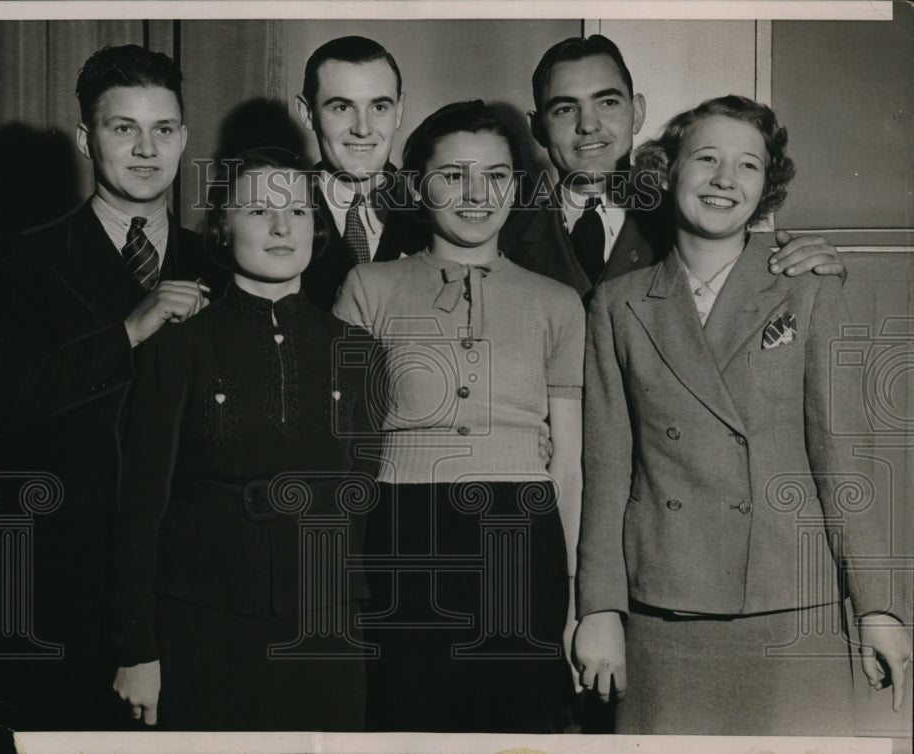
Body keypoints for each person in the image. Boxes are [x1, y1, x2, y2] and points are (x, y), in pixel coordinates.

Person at [573, 95, 912, 735]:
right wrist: (599, 608)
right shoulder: (617, 305)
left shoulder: (809, 288)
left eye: (748, 165)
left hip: (791, 603)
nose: (725, 179)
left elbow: (845, 461)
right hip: (663, 607)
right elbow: (607, 469)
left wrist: (880, 608)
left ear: (767, 186)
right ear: (666, 171)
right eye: (706, 158)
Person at [0, 44, 222, 729]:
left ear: (184, 138)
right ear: (86, 138)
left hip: (193, 584)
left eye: (163, 129)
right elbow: (0, 411)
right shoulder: (25, 260)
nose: (146, 149)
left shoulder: (219, 262)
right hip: (69, 588)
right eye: (123, 128)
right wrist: (127, 332)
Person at [333, 100, 584, 733]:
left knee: (519, 727)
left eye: (496, 175)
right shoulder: (367, 287)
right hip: (400, 532)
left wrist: (576, 593)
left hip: (522, 537)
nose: (477, 195)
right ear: (418, 186)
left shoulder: (558, 303)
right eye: (453, 175)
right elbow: (343, 446)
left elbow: (570, 465)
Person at [110, 148, 371, 731]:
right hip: (205, 621)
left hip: (326, 626)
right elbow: (139, 504)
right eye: (258, 211)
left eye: (298, 211)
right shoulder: (179, 344)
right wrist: (137, 648)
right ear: (222, 228)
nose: (282, 227)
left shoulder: (355, 348)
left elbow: (363, 495)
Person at [501, 35, 845, 306]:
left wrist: (816, 272)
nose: (588, 125)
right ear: (538, 128)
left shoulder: (703, 216)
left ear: (637, 112)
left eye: (608, 102)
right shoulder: (504, 238)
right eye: (564, 109)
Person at [295, 36, 428, 310]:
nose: (363, 129)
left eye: (379, 107)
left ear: (399, 111)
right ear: (307, 113)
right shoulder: (275, 214)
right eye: (342, 108)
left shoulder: (434, 213)